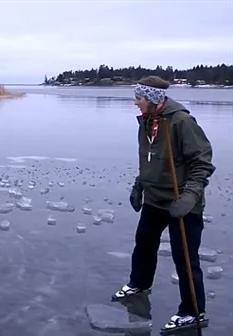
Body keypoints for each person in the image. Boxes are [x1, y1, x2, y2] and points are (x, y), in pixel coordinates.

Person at [111, 75, 216, 332]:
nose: (135, 103)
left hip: (181, 201)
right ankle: (140, 283)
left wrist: (190, 196)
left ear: (152, 98)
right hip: (154, 199)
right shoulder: (147, 122)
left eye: (139, 98)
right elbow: (150, 160)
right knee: (144, 244)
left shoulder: (180, 122)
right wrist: (139, 185)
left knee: (185, 259)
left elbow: (202, 162)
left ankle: (193, 311)